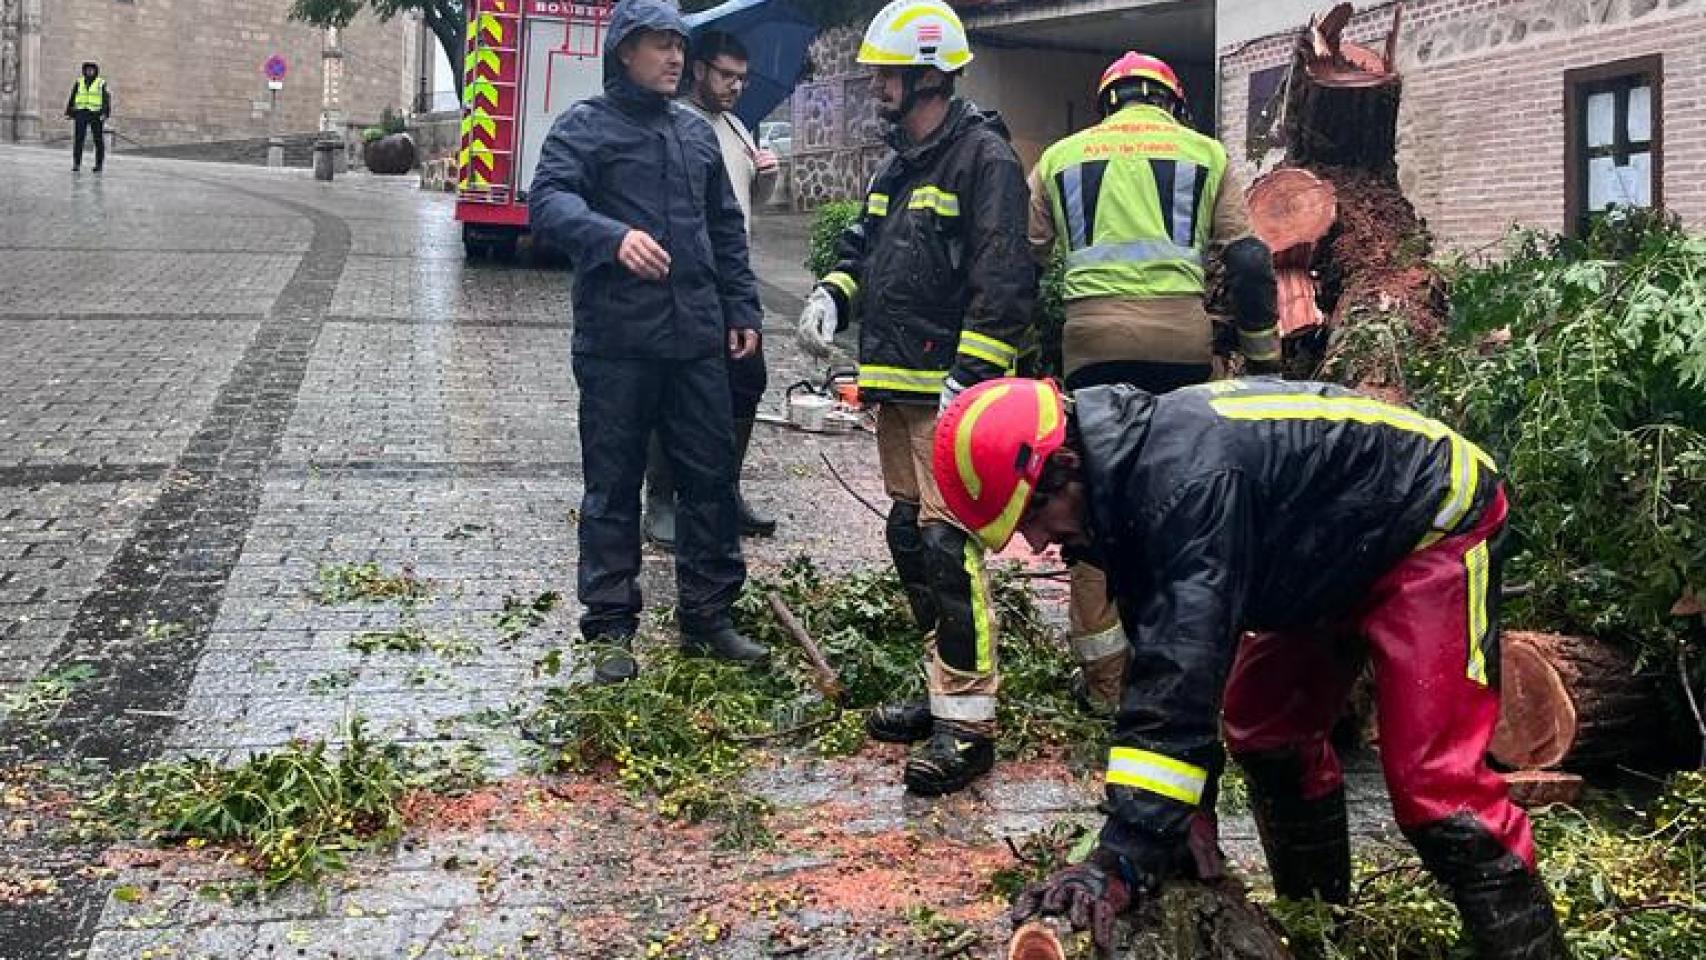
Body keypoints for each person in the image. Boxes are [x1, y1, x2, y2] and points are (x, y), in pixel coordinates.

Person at [934, 378, 1568, 959]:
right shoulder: (1123, 491)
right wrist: (1181, 818)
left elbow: (1185, 672)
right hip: (1326, 552)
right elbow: (1163, 667)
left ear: (1066, 467)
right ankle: (1321, 929)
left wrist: (1124, 854)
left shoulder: (1182, 488)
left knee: (1438, 792)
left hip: (1427, 523)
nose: (1041, 544)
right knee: (1268, 731)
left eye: (1036, 521)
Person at [794, 0, 1036, 797]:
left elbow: (1003, 283)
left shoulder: (984, 160)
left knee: (946, 544)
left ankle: (967, 725)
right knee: (908, 533)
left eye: (887, 75)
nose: (876, 88)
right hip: (896, 385)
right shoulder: (895, 164)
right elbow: (864, 252)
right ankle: (940, 687)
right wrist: (833, 294)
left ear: (929, 73)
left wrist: (974, 381)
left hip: (948, 393)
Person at [1028, 52, 1280, 716]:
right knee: (1181, 495)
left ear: (1109, 100)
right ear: (1171, 101)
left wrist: (1020, 361)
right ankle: (1187, 668)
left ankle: (1111, 690)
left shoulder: (1059, 159)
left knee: (1089, 502)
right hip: (1180, 349)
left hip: (1091, 349)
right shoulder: (1207, 154)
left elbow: (1018, 262)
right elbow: (1250, 261)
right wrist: (1263, 368)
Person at [529, 0, 769, 684]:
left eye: (678, 46)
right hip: (618, 345)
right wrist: (612, 237)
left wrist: (742, 308)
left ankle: (709, 617)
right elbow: (547, 202)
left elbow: (726, 229)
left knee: (710, 481)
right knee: (612, 487)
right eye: (660, 45)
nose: (674, 59)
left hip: (695, 341)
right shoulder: (586, 127)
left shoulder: (695, 136)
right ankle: (611, 629)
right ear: (623, 52)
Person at [643, 30, 782, 549]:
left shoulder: (738, 128)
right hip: (684, 278)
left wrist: (765, 175)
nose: (735, 87)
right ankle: (660, 498)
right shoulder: (675, 123)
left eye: (742, 79)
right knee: (672, 388)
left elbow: (747, 202)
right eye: (726, 75)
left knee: (747, 379)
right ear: (699, 70)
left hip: (734, 277)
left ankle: (724, 490)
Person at [65, 62, 111, 173]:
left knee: (98, 140)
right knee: (78, 139)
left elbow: (106, 98)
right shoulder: (79, 81)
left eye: (92, 70)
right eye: (87, 70)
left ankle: (99, 165)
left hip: (96, 113)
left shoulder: (101, 83)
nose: (89, 72)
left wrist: (105, 113)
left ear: (95, 71)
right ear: (84, 71)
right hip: (81, 112)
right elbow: (73, 95)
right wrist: (69, 111)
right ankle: (76, 163)